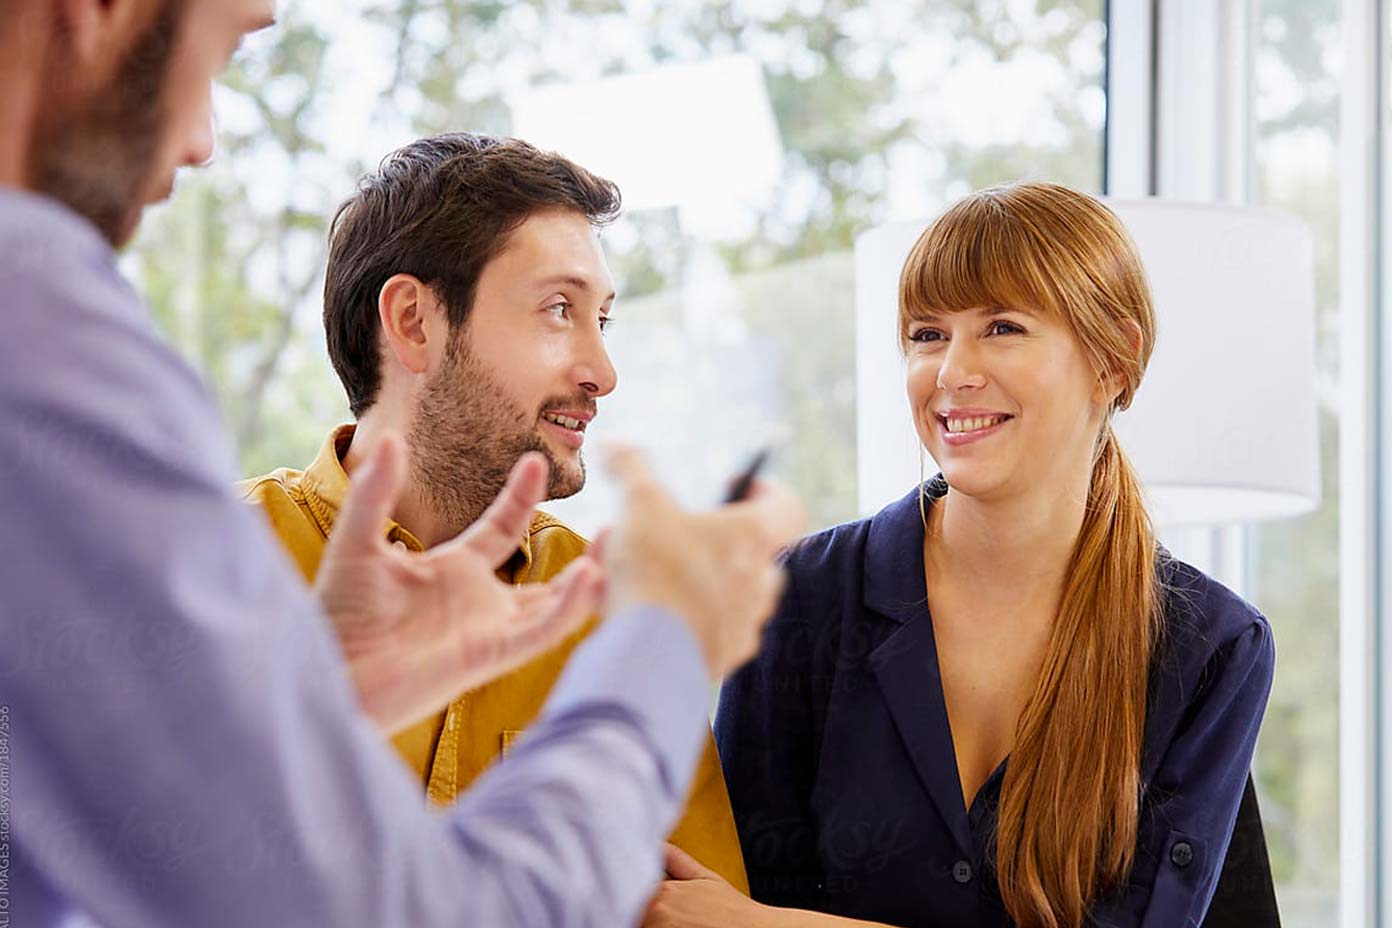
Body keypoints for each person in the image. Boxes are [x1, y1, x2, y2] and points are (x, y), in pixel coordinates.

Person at [0, 2, 804, 925]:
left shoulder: (571, 593)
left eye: (603, 318)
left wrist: (309, 700)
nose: (200, 142)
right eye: (223, 51)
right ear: (414, 321)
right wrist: (669, 635)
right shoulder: (42, 336)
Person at [642, 183, 1275, 928]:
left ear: (1113, 361)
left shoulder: (1210, 648)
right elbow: (715, 896)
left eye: (1002, 327)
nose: (952, 372)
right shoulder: (801, 598)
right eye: (927, 334)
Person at [238, 131, 747, 887]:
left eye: (600, 319)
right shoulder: (206, 571)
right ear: (414, 323)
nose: (602, 372)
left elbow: (697, 906)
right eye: (556, 310)